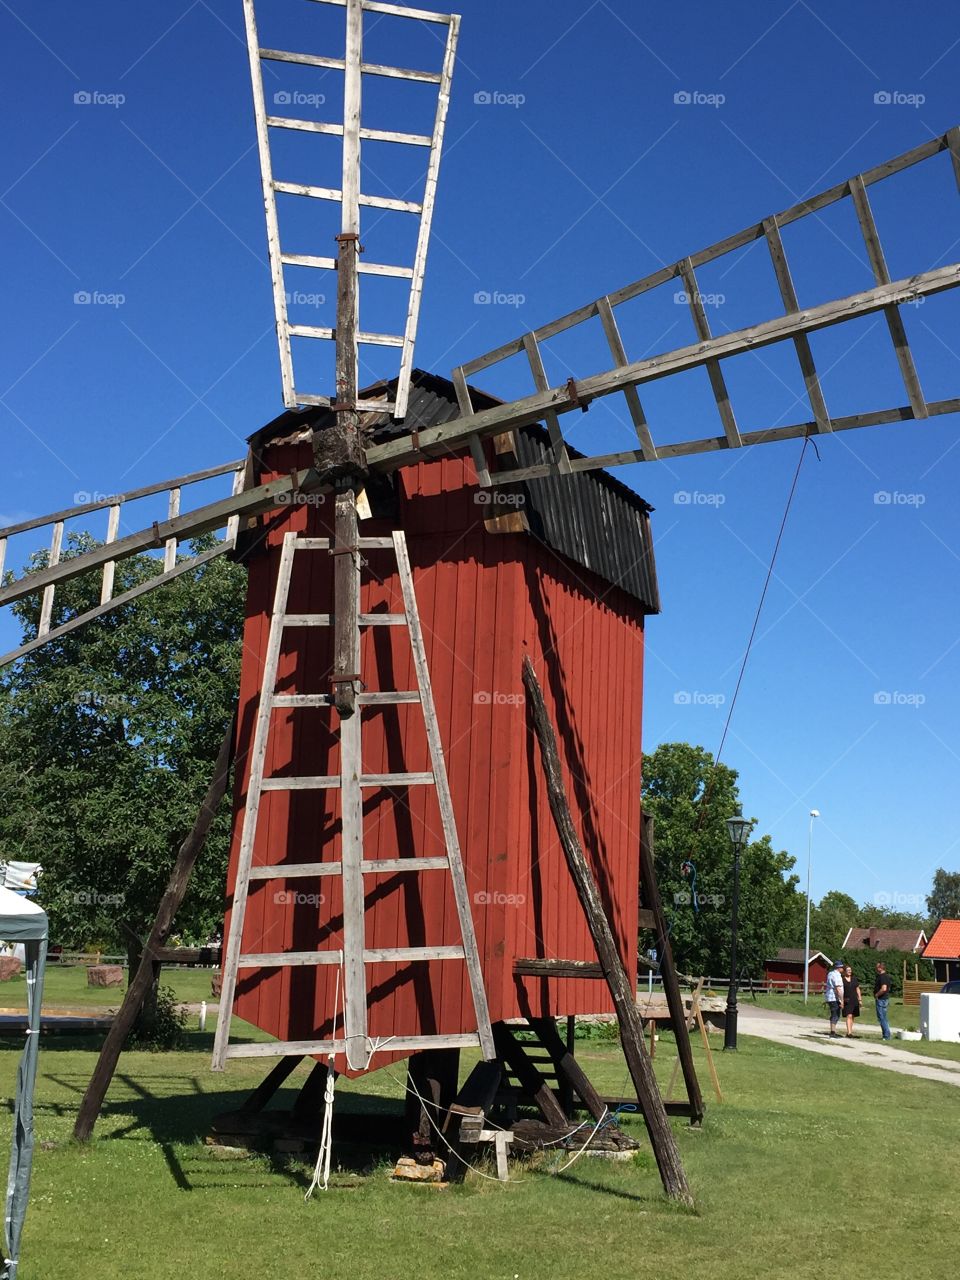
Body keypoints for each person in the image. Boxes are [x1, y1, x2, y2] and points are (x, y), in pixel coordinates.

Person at [841, 964, 862, 1037]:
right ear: (844, 972)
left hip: (854, 999)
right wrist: (841, 1000)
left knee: (853, 1015)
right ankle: (849, 1032)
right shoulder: (842, 979)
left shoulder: (854, 979)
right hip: (846, 999)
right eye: (848, 970)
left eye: (850, 970)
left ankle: (850, 1031)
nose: (849, 971)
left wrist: (860, 999)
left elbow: (857, 989)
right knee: (848, 1015)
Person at [824, 959, 844, 1036]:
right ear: (839, 968)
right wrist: (841, 1000)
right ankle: (832, 1032)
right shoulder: (837, 975)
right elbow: (838, 989)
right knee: (836, 1014)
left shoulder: (830, 973)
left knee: (834, 1014)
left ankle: (833, 1031)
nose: (843, 969)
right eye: (842, 967)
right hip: (834, 997)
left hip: (829, 997)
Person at [874, 961, 892, 1040]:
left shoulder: (882, 977)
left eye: (877, 967)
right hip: (885, 998)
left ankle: (886, 1035)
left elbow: (884, 988)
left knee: (881, 1018)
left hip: (881, 999)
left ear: (880, 968)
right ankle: (887, 1034)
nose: (876, 969)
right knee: (884, 1017)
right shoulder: (887, 976)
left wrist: (877, 994)